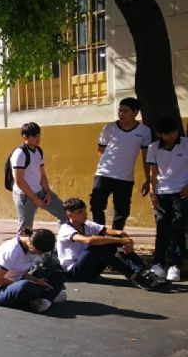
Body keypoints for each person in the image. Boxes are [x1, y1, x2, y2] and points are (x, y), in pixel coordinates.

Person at [56, 198, 160, 288]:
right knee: (96, 246)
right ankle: (133, 275)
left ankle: (141, 270)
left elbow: (111, 232)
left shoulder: (87, 224)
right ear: (70, 214)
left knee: (114, 239)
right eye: (80, 212)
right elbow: (89, 240)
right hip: (76, 272)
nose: (85, 214)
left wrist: (123, 236)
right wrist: (119, 240)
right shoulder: (65, 229)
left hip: (91, 269)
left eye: (85, 211)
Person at [90, 97, 152, 230]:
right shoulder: (109, 128)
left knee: (122, 211)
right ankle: (99, 235)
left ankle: (115, 239)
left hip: (125, 178)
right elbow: (101, 150)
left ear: (135, 112)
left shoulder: (144, 131)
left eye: (125, 111)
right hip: (104, 175)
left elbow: (146, 157)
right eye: (120, 110)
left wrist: (148, 179)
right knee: (96, 206)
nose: (121, 114)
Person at [146, 116, 188, 282]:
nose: (172, 136)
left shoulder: (185, 144)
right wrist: (153, 194)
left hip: (181, 194)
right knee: (162, 230)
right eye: (168, 133)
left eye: (174, 132)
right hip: (162, 193)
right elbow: (153, 173)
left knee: (178, 230)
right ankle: (158, 264)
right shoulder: (153, 148)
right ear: (160, 134)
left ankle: (175, 266)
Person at [0, 228, 66, 313]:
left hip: (20, 280)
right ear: (30, 243)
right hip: (0, 289)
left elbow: (21, 272)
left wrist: (36, 280)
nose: (39, 254)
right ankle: (48, 296)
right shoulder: (11, 250)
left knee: (58, 275)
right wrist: (29, 283)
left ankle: (45, 299)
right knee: (25, 286)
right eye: (39, 252)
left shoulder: (30, 248)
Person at [10, 122, 68, 231]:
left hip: (40, 191)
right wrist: (35, 198)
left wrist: (48, 193)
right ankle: (22, 248)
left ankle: (63, 243)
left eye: (39, 135)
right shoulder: (20, 154)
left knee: (65, 213)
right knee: (25, 230)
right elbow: (19, 181)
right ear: (25, 137)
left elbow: (43, 175)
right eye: (35, 136)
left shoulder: (39, 151)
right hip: (25, 195)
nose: (38, 138)